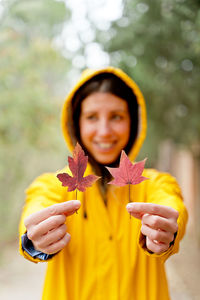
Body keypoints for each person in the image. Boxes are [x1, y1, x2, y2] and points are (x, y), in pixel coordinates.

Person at [19, 67, 188, 300]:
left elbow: (172, 205)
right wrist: (33, 238)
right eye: (92, 117)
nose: (104, 131)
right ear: (76, 123)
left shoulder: (155, 183)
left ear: (133, 122)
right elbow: (37, 205)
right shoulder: (52, 185)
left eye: (116, 116)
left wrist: (168, 228)